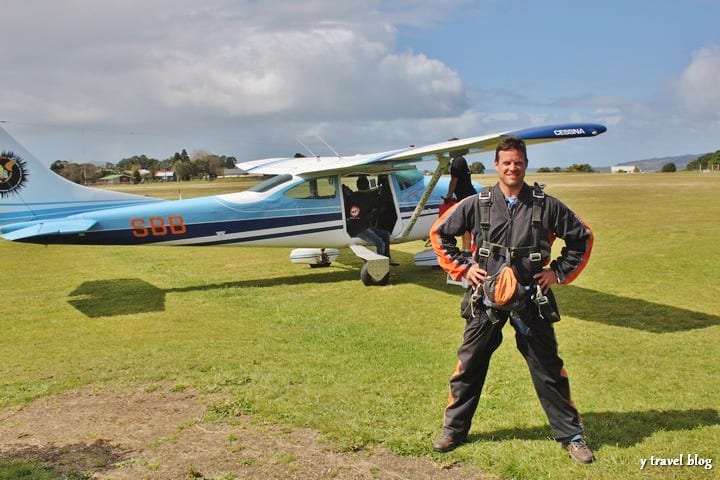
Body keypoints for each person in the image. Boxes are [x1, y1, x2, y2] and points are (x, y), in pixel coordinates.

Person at [429, 136, 595, 464]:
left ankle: (571, 436)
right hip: (485, 298)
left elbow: (582, 237)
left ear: (525, 165)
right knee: (468, 366)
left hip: (531, 299)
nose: (512, 168)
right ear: (496, 165)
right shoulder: (478, 202)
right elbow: (440, 233)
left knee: (549, 369)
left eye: (518, 162)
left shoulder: (546, 205)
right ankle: (453, 430)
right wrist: (463, 269)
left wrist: (557, 273)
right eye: (506, 162)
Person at [346, 175, 398, 265]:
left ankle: (387, 258)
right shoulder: (370, 197)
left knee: (385, 234)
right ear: (368, 185)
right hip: (360, 230)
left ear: (357, 185)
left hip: (355, 226)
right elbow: (377, 204)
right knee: (380, 243)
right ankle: (379, 265)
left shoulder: (352, 197)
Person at [444, 146, 477, 251]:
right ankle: (465, 248)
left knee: (467, 224)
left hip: (466, 196)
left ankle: (468, 249)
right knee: (465, 223)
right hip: (466, 195)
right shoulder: (460, 160)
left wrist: (449, 194)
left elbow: (454, 180)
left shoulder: (458, 161)